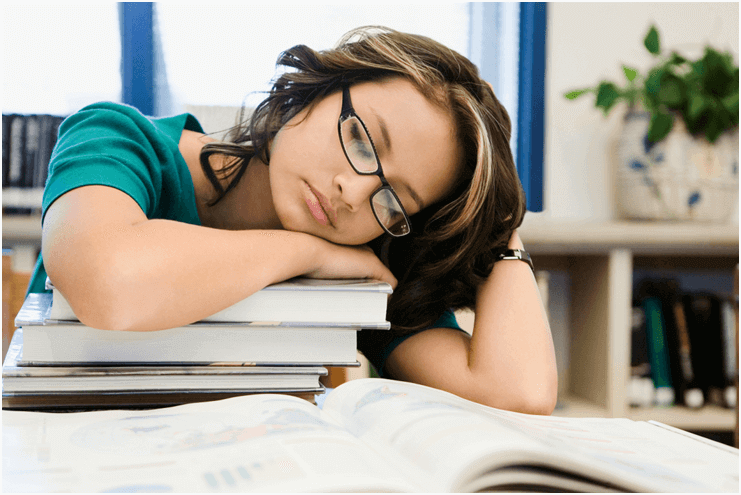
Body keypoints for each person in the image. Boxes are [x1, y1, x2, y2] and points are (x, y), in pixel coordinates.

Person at [31, 26, 557, 414]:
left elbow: (516, 394)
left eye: (394, 199)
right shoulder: (119, 139)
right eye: (360, 138)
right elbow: (109, 281)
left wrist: (499, 228)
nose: (353, 192)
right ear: (318, 87)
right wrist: (308, 253)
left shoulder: (367, 257)